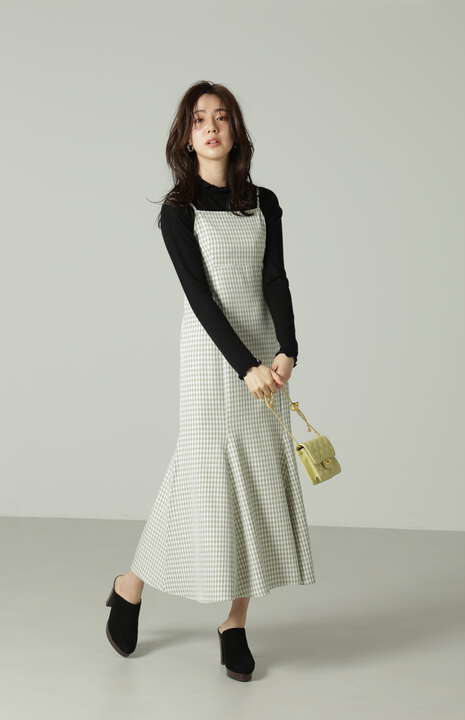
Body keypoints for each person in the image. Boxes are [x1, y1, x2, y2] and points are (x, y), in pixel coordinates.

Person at [104, 81, 316, 682]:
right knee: (199, 473)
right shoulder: (178, 210)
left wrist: (286, 350)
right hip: (212, 356)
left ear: (236, 130)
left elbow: (275, 278)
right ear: (187, 136)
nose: (213, 127)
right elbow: (200, 299)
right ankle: (130, 584)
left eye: (222, 117)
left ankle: (235, 622)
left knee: (256, 477)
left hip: (264, 355)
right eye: (201, 119)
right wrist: (244, 365)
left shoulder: (264, 202)